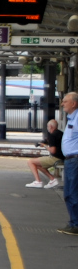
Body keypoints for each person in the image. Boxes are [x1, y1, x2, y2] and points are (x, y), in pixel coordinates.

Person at [27, 119, 63, 188]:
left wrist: (44, 145)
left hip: (56, 158)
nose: (47, 128)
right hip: (62, 157)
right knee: (38, 164)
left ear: (51, 126)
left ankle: (38, 181)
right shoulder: (60, 133)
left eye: (47, 126)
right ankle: (52, 180)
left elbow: (53, 151)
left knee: (30, 162)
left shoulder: (52, 135)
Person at [61, 92, 78, 235]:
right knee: (68, 193)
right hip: (70, 160)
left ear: (74, 103)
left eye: (65, 101)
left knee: (72, 192)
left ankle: (76, 224)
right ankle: (73, 222)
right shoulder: (72, 118)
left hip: (75, 160)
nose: (62, 104)